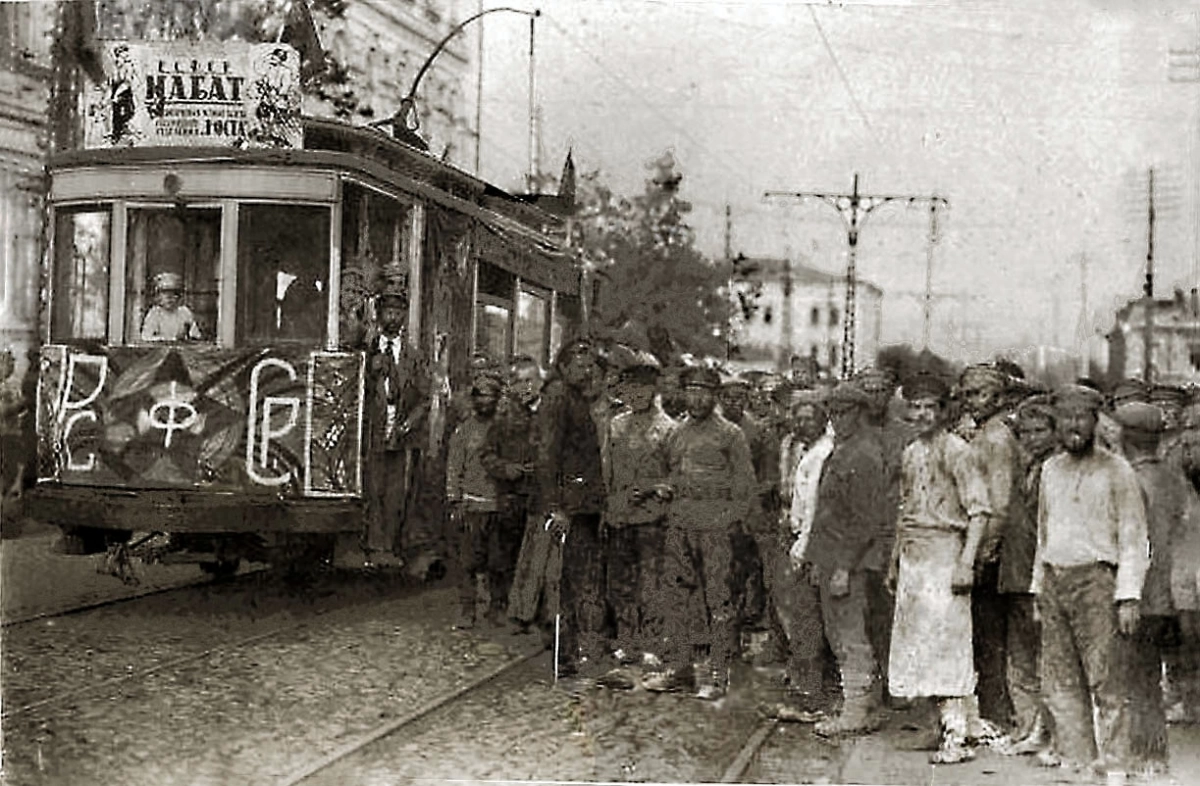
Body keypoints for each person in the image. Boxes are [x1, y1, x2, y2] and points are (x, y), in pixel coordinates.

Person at [1032, 384, 1150, 777]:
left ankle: (1115, 765)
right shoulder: (1050, 469)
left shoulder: (1118, 471)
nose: (1074, 425)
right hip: (1055, 582)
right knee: (1059, 682)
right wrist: (1038, 586)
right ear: (1057, 423)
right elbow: (1043, 533)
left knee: (1106, 681)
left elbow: (1134, 536)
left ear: (1096, 421)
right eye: (1066, 417)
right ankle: (1076, 763)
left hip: (1098, 583)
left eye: (1082, 416)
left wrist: (1128, 596)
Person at [887, 372, 992, 764]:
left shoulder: (957, 451)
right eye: (915, 407)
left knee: (947, 644)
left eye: (931, 407)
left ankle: (958, 736)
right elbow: (904, 510)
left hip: (945, 554)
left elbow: (980, 511)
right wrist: (896, 561)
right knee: (919, 645)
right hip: (915, 557)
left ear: (945, 410)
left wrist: (966, 562)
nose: (923, 414)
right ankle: (935, 726)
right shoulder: (912, 451)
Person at [653, 365, 756, 699]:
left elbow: (746, 489)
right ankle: (680, 669)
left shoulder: (730, 435)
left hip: (715, 530)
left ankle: (717, 676)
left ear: (715, 396)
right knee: (676, 598)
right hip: (680, 525)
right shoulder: (677, 432)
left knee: (719, 601)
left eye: (704, 393)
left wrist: (725, 524)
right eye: (691, 392)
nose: (696, 399)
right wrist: (667, 489)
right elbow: (671, 472)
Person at [805, 383, 890, 735]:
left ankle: (856, 710)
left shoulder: (863, 454)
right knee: (839, 632)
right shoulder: (843, 451)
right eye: (833, 412)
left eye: (845, 412)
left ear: (860, 412)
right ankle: (862, 704)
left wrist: (842, 566)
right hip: (830, 555)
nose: (837, 419)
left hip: (850, 561)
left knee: (849, 635)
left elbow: (864, 520)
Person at [1112, 401, 1187, 779]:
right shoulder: (1173, 478)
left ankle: (1146, 755)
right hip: (1169, 593)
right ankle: (1151, 754)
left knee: (1136, 679)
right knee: (1149, 679)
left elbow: (1131, 542)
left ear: (1126, 438)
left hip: (1139, 593)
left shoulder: (1130, 480)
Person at [600, 354, 676, 689]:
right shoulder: (616, 425)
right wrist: (610, 505)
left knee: (652, 582)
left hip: (651, 518)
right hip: (620, 517)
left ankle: (652, 642)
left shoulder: (669, 429)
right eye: (631, 388)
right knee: (621, 582)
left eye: (644, 388)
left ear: (654, 389)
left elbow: (675, 479)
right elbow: (607, 472)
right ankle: (627, 640)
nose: (637, 395)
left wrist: (649, 490)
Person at [765, 387, 840, 722]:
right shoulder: (803, 449)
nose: (802, 423)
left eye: (810, 418)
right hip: (797, 535)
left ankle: (809, 695)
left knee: (806, 619)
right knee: (799, 616)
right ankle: (806, 684)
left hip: (808, 542)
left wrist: (802, 547)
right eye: (798, 417)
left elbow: (815, 507)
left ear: (822, 419)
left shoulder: (823, 453)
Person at [539, 338, 609, 690]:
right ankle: (562, 659)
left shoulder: (576, 398)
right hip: (569, 507)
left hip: (582, 506)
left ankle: (567, 655)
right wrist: (557, 506)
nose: (588, 369)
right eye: (581, 364)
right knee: (563, 581)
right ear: (563, 365)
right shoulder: (557, 397)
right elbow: (549, 455)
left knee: (574, 579)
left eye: (591, 364)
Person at [957, 364, 1018, 732]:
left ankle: (994, 711)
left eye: (979, 394)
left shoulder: (996, 439)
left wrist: (983, 552)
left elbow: (1000, 503)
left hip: (989, 549)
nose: (971, 401)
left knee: (989, 632)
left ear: (997, 398)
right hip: (979, 542)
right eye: (967, 394)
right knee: (982, 631)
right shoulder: (982, 434)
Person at [362, 274, 433, 573]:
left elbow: (425, 397)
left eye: (398, 312)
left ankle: (391, 545)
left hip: (401, 431)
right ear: (379, 316)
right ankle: (373, 546)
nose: (393, 317)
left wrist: (408, 424)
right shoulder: (367, 350)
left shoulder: (413, 356)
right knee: (372, 488)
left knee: (396, 491)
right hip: (372, 430)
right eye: (388, 311)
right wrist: (369, 371)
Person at [1001, 393, 1058, 756]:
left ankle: (1049, 732)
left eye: (1040, 431)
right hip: (1017, 571)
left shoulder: (1055, 468)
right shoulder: (1025, 466)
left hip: (1041, 575)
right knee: (1020, 655)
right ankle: (1027, 727)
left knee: (1046, 657)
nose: (1032, 438)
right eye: (1025, 432)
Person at [482, 356, 545, 632]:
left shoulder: (551, 416)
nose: (525, 387)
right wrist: (506, 469)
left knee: (536, 559)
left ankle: (534, 614)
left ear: (540, 381)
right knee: (504, 556)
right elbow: (486, 454)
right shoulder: (504, 418)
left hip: (541, 498)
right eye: (519, 381)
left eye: (530, 380)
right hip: (511, 497)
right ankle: (503, 609)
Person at [446, 374, 504, 629]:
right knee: (467, 562)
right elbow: (454, 467)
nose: (485, 401)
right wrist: (454, 500)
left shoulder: (504, 428)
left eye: (490, 396)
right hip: (471, 506)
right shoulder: (464, 431)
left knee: (497, 562)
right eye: (480, 395)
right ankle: (467, 609)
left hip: (499, 504)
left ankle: (496, 609)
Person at [141, 272, 202, 342]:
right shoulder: (155, 314)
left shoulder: (184, 313)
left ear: (179, 296)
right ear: (158, 296)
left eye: (174, 294)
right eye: (164, 293)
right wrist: (168, 339)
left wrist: (188, 336)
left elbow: (196, 335)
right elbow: (146, 337)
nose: (169, 298)